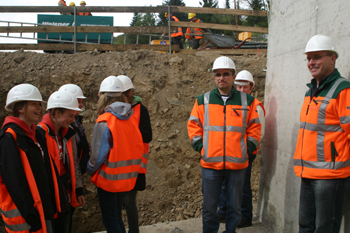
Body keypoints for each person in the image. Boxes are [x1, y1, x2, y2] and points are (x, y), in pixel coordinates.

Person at [187, 56, 262, 233]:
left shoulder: (247, 101)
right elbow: (193, 125)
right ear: (214, 77)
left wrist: (247, 149)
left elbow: (255, 129)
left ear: (233, 76)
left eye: (226, 74)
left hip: (237, 165)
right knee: (209, 208)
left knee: (234, 209)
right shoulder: (202, 100)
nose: (222, 78)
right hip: (210, 165)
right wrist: (201, 148)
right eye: (218, 74)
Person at [294, 34, 350, 233]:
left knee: (325, 228)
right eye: (309, 58)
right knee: (305, 226)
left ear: (332, 58)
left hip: (330, 175)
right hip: (308, 172)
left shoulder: (343, 90)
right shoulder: (311, 92)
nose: (311, 62)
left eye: (317, 57)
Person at [87, 76, 144, 233]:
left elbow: (97, 157)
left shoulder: (104, 120)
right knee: (117, 216)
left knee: (110, 219)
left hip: (109, 180)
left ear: (102, 96)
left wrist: (89, 170)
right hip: (126, 179)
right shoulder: (130, 118)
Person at [0, 84, 58, 233]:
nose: (39, 108)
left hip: (42, 209)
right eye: (34, 104)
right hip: (27, 218)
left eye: (39, 104)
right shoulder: (9, 137)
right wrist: (31, 217)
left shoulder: (36, 133)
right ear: (20, 108)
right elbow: (14, 182)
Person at [217, 70, 265, 228]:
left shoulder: (255, 105)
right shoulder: (233, 103)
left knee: (243, 184)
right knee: (225, 181)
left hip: (245, 152)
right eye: (239, 87)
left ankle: (245, 216)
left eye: (245, 87)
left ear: (251, 87)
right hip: (229, 150)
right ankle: (223, 212)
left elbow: (259, 132)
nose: (242, 90)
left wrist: (246, 149)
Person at [38, 90, 85, 233]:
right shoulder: (40, 134)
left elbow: (73, 162)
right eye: (70, 116)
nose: (72, 120)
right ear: (57, 113)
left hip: (66, 192)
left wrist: (78, 189)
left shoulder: (68, 132)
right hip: (51, 197)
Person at [118, 75, 152, 233]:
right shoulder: (112, 110)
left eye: (126, 93)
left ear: (131, 92)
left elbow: (147, 135)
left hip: (135, 166)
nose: (124, 96)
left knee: (129, 201)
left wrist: (126, 132)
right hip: (116, 165)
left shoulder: (140, 109)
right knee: (117, 203)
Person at [58, 84, 90, 233]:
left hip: (73, 181)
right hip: (65, 185)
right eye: (79, 102)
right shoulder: (64, 129)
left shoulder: (76, 125)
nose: (82, 105)